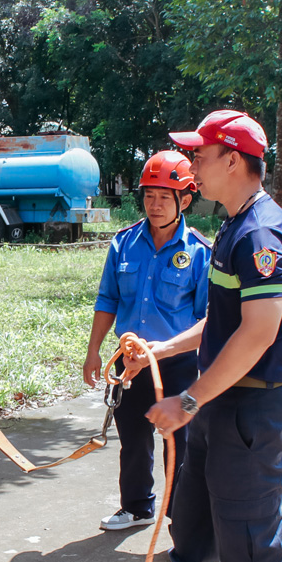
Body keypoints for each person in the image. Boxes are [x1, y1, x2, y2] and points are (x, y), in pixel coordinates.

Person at [120, 110, 282, 562]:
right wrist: (163, 347)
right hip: (221, 402)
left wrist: (189, 401)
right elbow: (220, 323)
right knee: (194, 512)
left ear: (232, 159)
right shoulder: (235, 225)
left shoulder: (260, 235)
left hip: (249, 408)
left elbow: (257, 333)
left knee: (246, 525)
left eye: (199, 155)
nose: (191, 165)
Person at [83, 151, 210, 532]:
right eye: (149, 196)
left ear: (184, 201)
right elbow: (107, 299)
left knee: (180, 446)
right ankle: (137, 506)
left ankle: (182, 522)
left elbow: (208, 317)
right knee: (133, 439)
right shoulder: (123, 244)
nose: (154, 205)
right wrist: (93, 351)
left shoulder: (200, 252)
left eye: (164, 197)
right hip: (130, 362)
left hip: (178, 364)